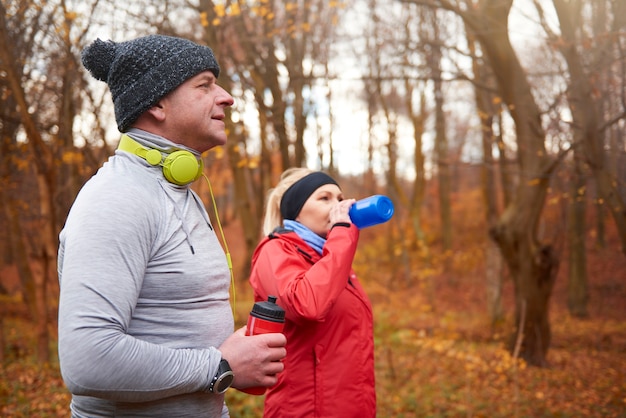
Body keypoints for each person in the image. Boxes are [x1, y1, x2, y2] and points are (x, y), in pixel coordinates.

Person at [57, 34, 286, 417]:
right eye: (205, 85)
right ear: (158, 103)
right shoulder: (117, 198)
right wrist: (220, 367)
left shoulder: (182, 193)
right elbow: (88, 360)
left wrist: (235, 361)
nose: (227, 97)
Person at [248, 168, 376, 417]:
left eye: (340, 198)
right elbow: (307, 305)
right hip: (305, 408)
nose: (339, 206)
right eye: (324, 198)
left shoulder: (329, 258)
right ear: (296, 210)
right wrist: (341, 233)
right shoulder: (275, 251)